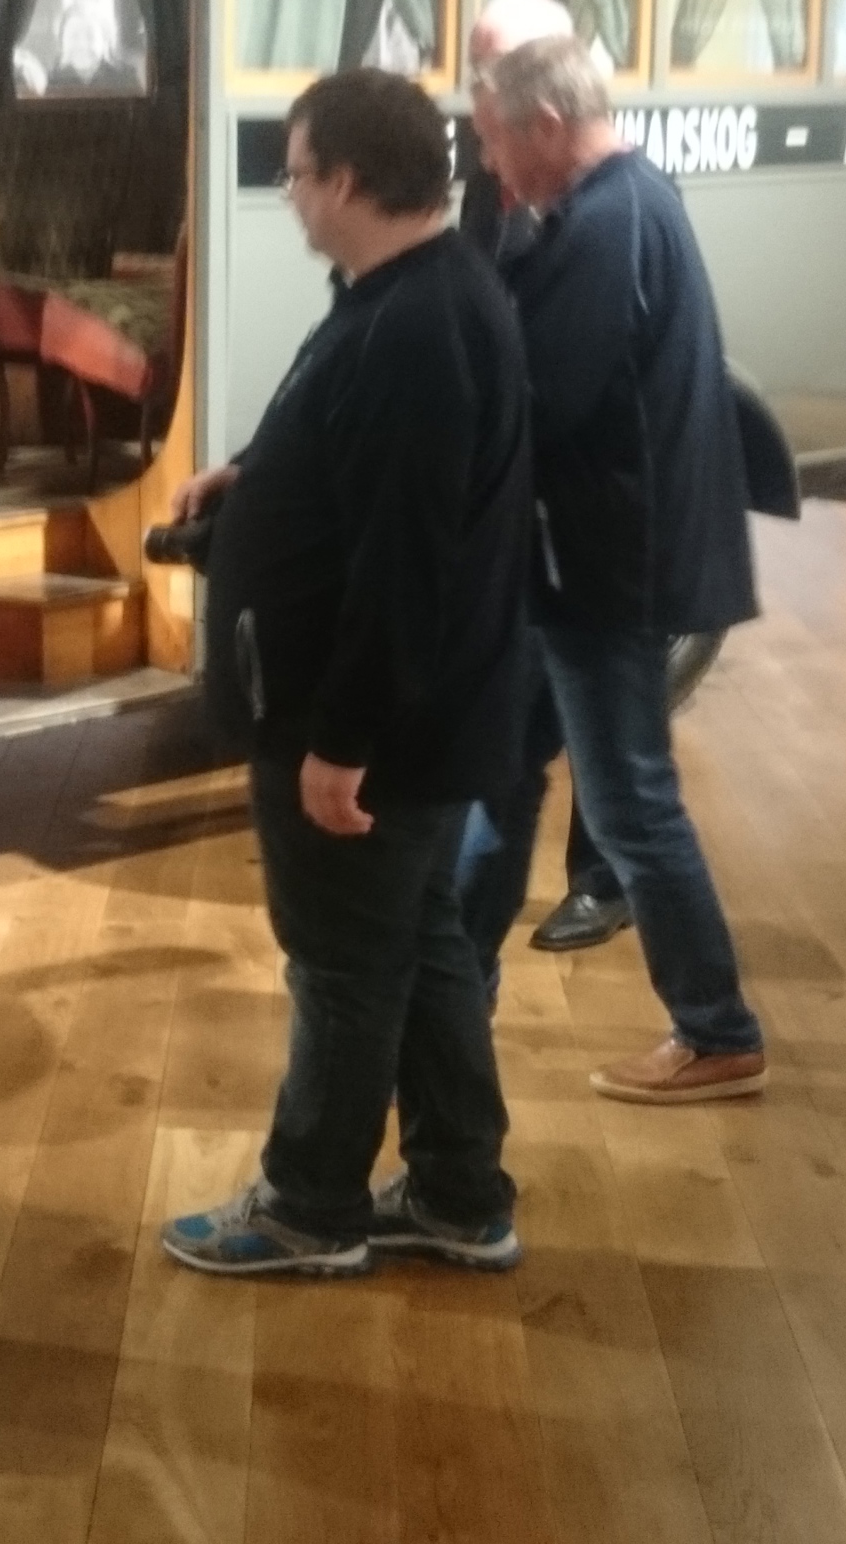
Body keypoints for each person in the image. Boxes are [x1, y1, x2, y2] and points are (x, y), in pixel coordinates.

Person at [158, 69, 534, 1278]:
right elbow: (360, 461)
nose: (288, 194)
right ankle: (458, 1191)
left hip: (374, 734)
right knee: (418, 946)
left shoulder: (417, 327)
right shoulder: (409, 295)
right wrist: (253, 473)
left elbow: (404, 566)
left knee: (340, 967)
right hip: (420, 724)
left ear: (350, 182)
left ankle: (309, 1206)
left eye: (296, 173)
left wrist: (340, 744)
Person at [453, 35, 772, 1105]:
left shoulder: (605, 223)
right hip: (578, 562)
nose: (490, 166)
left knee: (629, 803)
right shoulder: (616, 207)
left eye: (493, 141)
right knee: (503, 774)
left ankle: (717, 1030)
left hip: (600, 566)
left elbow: (540, 396)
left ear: (545, 124)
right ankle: (451, 989)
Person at [453, 0, 634, 956]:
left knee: (598, 733)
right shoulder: (494, 172)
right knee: (524, 736)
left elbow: (565, 384)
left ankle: (602, 881)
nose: (480, 89)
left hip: (578, 526)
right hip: (527, 523)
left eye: (495, 68)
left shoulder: (606, 208)